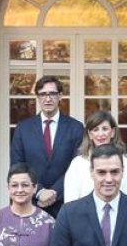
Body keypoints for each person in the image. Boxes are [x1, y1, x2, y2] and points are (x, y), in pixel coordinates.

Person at [9, 75, 85, 217]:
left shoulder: (76, 127)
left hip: (65, 204)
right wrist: (39, 191)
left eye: (52, 94)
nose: (48, 98)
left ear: (60, 96)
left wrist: (55, 191)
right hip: (31, 203)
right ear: (37, 97)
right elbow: (17, 166)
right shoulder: (23, 128)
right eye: (43, 94)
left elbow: (78, 166)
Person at [63, 110, 127, 203]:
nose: (101, 134)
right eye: (96, 130)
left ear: (113, 132)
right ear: (90, 134)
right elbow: (71, 202)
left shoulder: (125, 163)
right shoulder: (77, 164)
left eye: (105, 129)